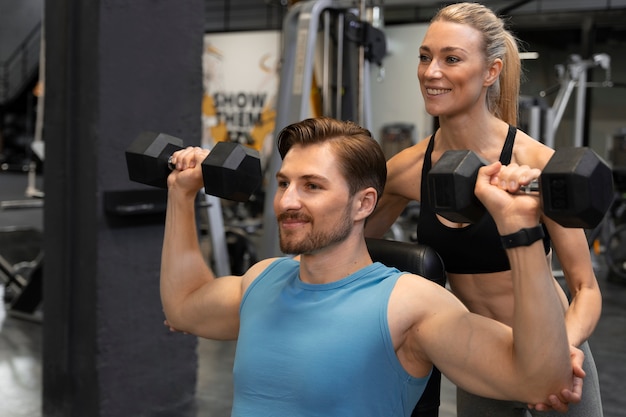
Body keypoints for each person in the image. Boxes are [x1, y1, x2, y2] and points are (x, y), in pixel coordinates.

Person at [161, 116, 576, 417]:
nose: (287, 201)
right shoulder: (262, 280)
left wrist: (519, 230)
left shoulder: (408, 304)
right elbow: (183, 304)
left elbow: (538, 381)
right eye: (285, 183)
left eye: (312, 186)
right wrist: (181, 195)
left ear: (364, 203)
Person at [364, 3, 604, 416]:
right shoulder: (407, 169)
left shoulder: (536, 164)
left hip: (559, 356)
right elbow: (355, 246)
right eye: (425, 57)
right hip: (482, 364)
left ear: (490, 71)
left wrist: (559, 353)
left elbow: (586, 289)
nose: (430, 72)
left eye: (451, 59)